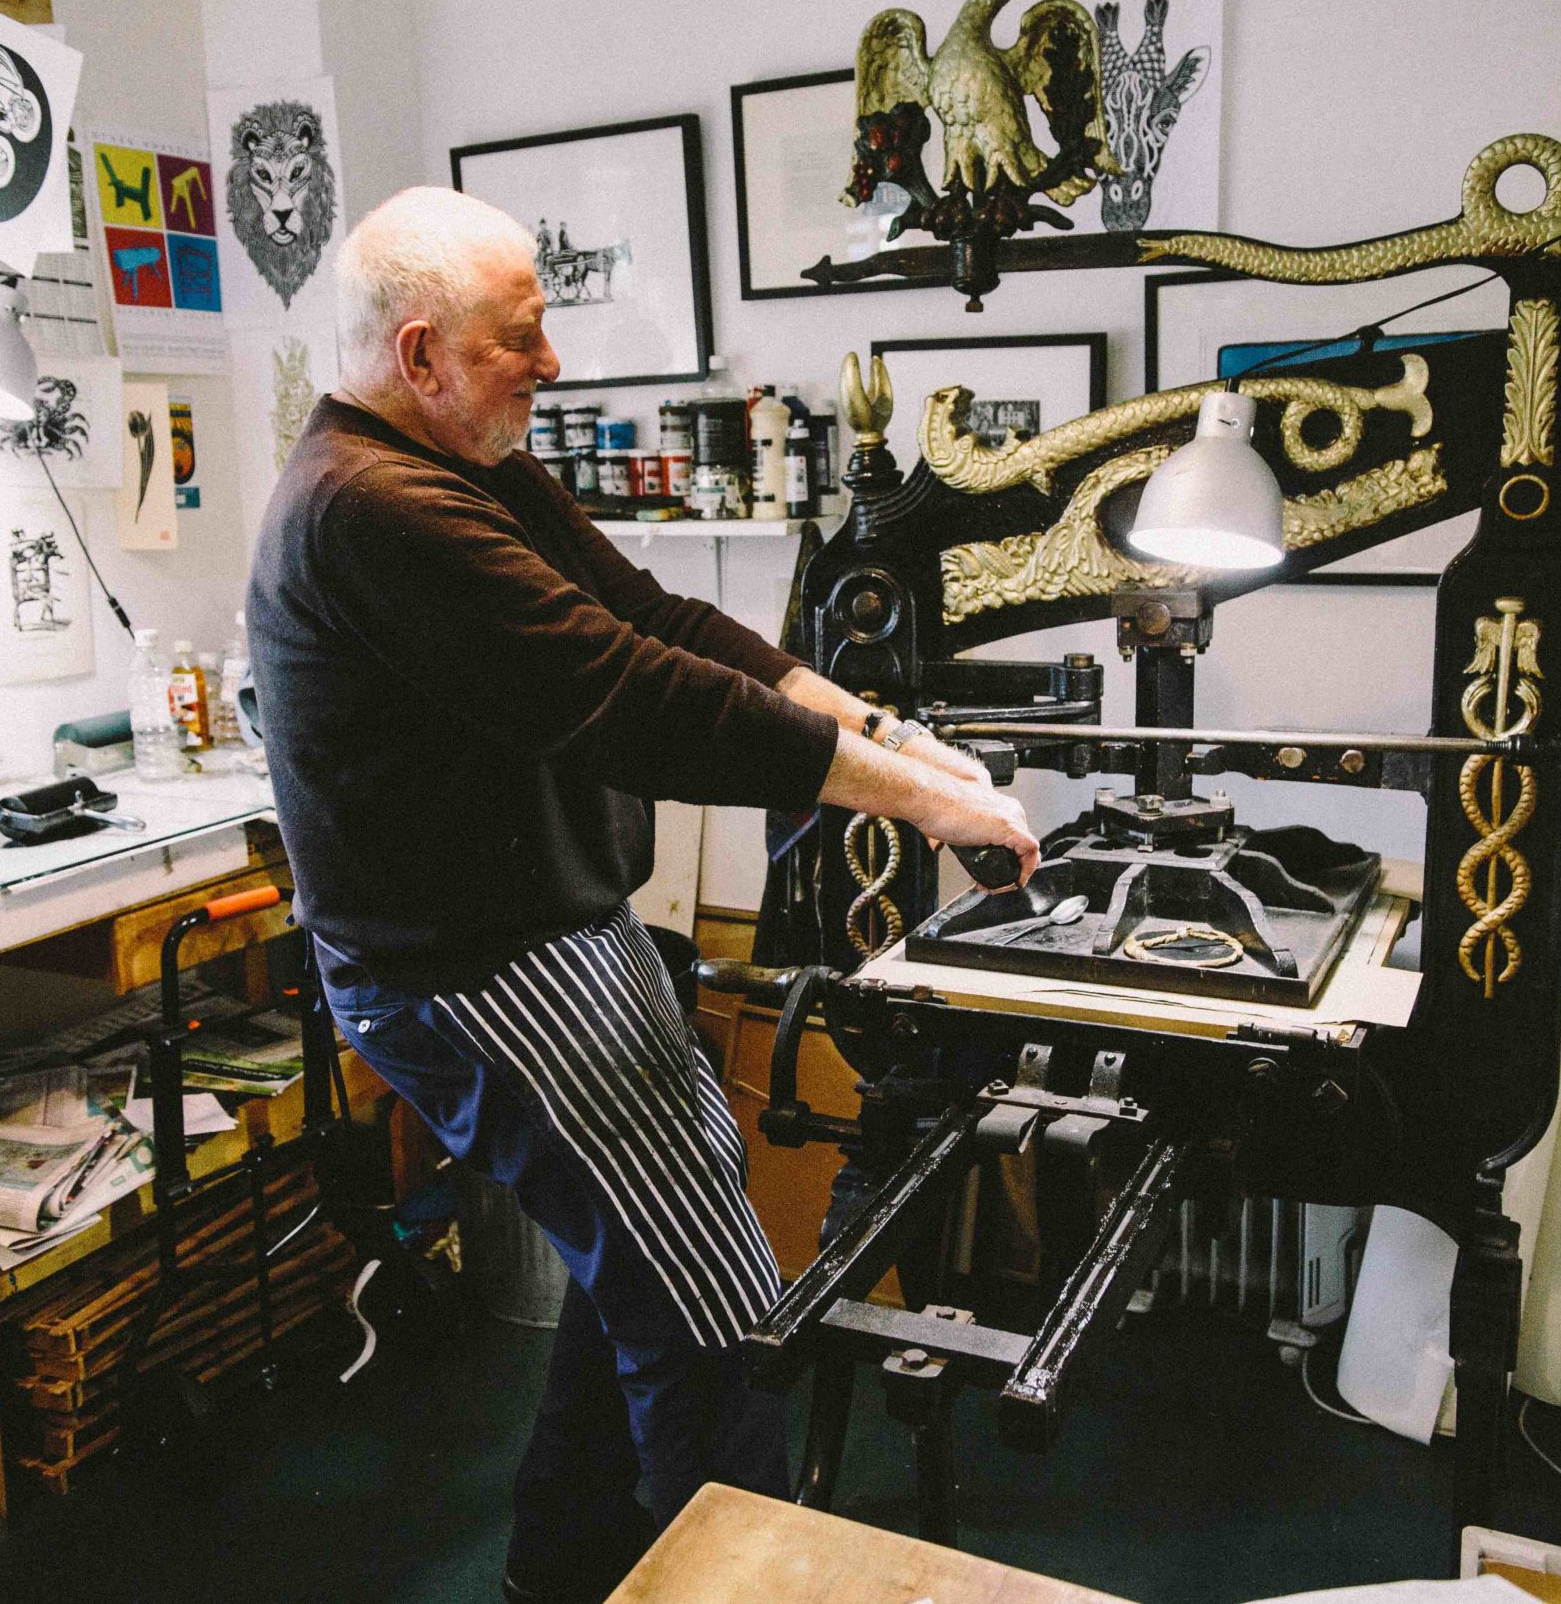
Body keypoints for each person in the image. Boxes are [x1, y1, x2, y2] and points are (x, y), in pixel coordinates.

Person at [247, 186, 1038, 1604]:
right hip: (477, 975)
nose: (551, 366)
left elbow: (655, 620)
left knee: (656, 1268)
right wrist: (926, 802)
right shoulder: (372, 505)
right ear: (420, 353)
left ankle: (561, 1581)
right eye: (521, 338)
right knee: (715, 1308)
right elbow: (628, 698)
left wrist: (888, 736)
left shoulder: (462, 459)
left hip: (550, 940)